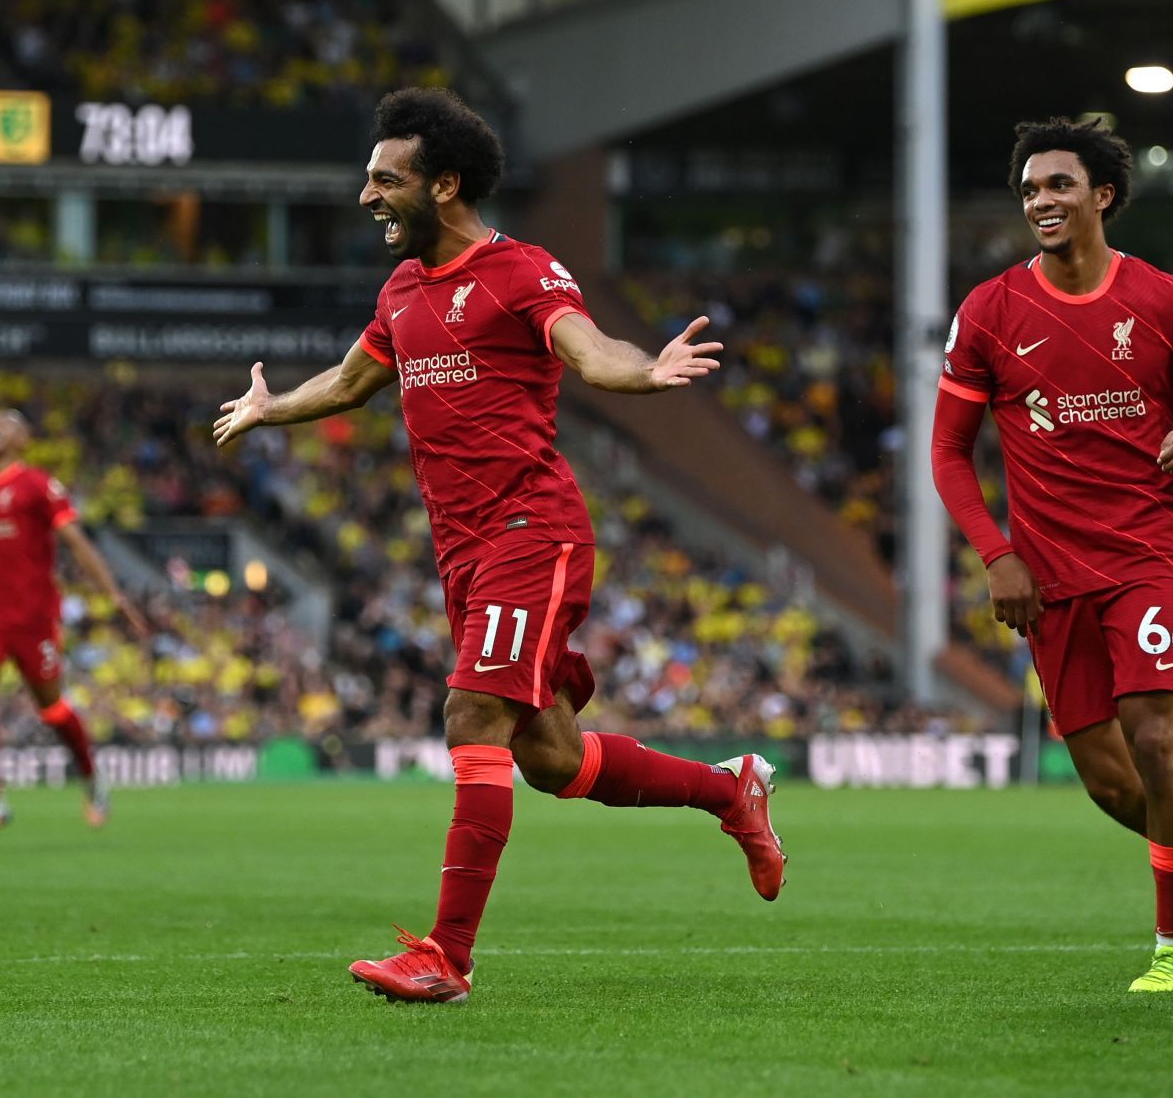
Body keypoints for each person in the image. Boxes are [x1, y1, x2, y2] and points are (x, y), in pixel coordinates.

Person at [213, 87, 785, 1004]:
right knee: (553, 759)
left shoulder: (521, 272)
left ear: (444, 184)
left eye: (383, 179)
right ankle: (731, 790)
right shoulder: (401, 289)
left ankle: (447, 954)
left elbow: (588, 350)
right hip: (463, 551)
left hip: (534, 530)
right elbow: (355, 380)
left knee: (471, 717)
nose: (367, 195)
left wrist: (647, 370)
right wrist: (272, 406)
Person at [931, 117, 1173, 992]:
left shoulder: (1166, 302)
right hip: (1046, 579)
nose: (1041, 202)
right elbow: (947, 452)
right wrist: (996, 556)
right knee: (1114, 785)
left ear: (1103, 195)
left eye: (1058, 186)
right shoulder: (989, 311)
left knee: (1158, 742)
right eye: (1030, 191)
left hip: (1145, 558)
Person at [0, 409, 150, 841]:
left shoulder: (36, 484)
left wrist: (113, 592)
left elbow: (76, 540)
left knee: (52, 709)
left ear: (24, 439)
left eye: (7, 423)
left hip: (33, 616)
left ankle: (92, 779)